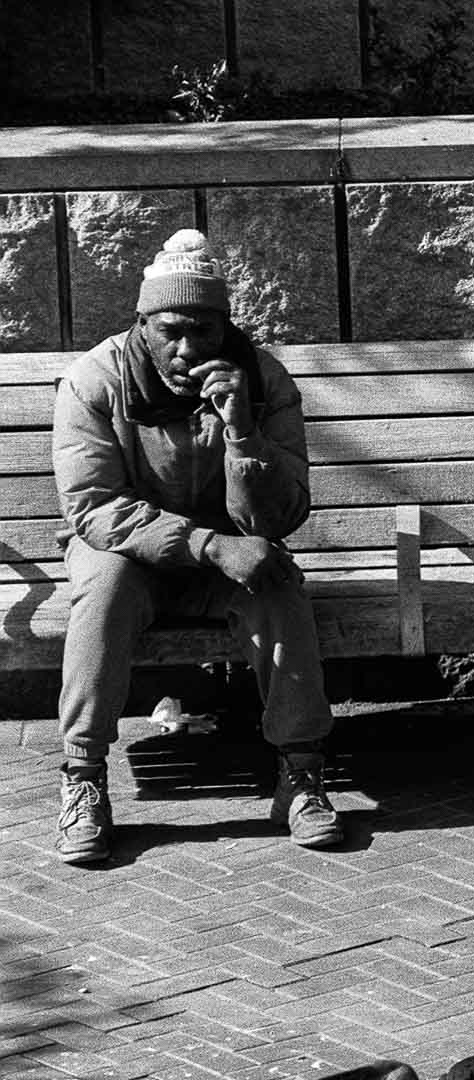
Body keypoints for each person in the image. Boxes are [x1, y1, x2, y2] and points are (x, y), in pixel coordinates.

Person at [51, 229, 344, 864]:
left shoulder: (262, 378)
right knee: (101, 589)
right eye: (170, 330)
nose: (187, 349)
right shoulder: (94, 380)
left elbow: (284, 513)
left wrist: (242, 436)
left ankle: (301, 774)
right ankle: (83, 780)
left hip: (228, 551)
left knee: (278, 584)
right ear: (143, 322)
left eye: (204, 331)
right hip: (126, 550)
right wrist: (210, 545)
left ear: (225, 326)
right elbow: (93, 508)